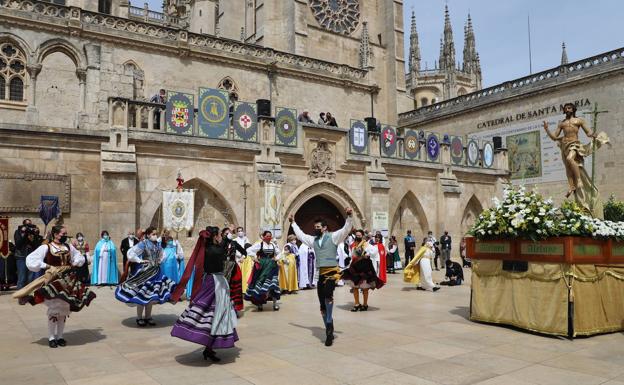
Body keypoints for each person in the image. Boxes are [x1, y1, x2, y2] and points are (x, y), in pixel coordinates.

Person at [15, 225, 96, 348]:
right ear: (56, 234)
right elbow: (31, 259)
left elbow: (79, 257)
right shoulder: (46, 247)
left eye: (65, 233)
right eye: (63, 233)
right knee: (54, 309)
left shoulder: (68, 247)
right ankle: (52, 337)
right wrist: (47, 266)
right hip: (54, 280)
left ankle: (60, 336)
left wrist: (75, 262)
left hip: (69, 280)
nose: (65, 235)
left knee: (63, 310)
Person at [170, 226, 238, 362]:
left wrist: (226, 236)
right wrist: (228, 234)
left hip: (214, 281)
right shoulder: (213, 250)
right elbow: (223, 248)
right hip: (214, 283)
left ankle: (209, 348)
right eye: (219, 235)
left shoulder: (208, 249)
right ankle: (208, 346)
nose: (220, 237)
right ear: (214, 237)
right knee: (212, 314)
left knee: (214, 315)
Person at [290, 208, 353, 347]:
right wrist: (293, 223)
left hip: (332, 272)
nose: (316, 229)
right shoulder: (313, 240)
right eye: (315, 227)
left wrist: (349, 216)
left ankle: (329, 326)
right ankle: (328, 327)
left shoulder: (334, 237)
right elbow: (301, 235)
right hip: (320, 273)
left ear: (324, 228)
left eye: (318, 227)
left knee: (328, 295)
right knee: (322, 304)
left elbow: (345, 229)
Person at [543, 103, 609, 213]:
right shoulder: (562, 123)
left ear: (573, 109)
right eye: (565, 109)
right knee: (568, 167)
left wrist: (596, 135)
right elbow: (555, 137)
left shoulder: (579, 121)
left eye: (569, 108)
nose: (567, 110)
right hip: (564, 145)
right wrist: (547, 130)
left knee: (570, 159)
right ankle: (572, 186)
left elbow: (588, 133)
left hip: (574, 144)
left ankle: (578, 181)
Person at [115, 226, 176, 327]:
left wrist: (159, 261)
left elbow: (162, 255)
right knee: (142, 295)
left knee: (151, 297)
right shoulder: (143, 244)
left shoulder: (158, 245)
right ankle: (139, 317)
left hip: (156, 273)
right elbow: (130, 253)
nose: (155, 236)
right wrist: (140, 260)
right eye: (153, 234)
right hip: (145, 273)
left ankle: (148, 317)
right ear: (148, 235)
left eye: (156, 234)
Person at [342, 229, 384, 313]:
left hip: (364, 267)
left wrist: (367, 254)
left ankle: (365, 304)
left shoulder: (367, 244)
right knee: (355, 286)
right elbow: (352, 255)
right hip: (355, 267)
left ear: (362, 236)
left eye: (359, 235)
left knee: (365, 288)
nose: (357, 237)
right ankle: (357, 304)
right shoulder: (353, 245)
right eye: (356, 235)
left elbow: (375, 252)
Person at [244, 231, 282, 311]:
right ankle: (260, 304)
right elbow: (249, 250)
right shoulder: (259, 244)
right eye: (267, 236)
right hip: (262, 266)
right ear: (263, 237)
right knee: (260, 283)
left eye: (270, 236)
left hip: (272, 266)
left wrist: (276, 258)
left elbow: (279, 253)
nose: (269, 238)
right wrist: (255, 258)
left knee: (273, 284)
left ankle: (275, 304)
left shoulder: (273, 245)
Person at [14, 219, 41, 289]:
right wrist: (25, 234)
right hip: (21, 256)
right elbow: (18, 245)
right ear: (23, 225)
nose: (29, 227)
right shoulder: (18, 232)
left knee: (30, 278)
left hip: (31, 257)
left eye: (30, 225)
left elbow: (36, 245)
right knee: (22, 277)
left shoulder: (32, 233)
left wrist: (35, 234)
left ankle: (29, 295)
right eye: (27, 225)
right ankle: (20, 296)